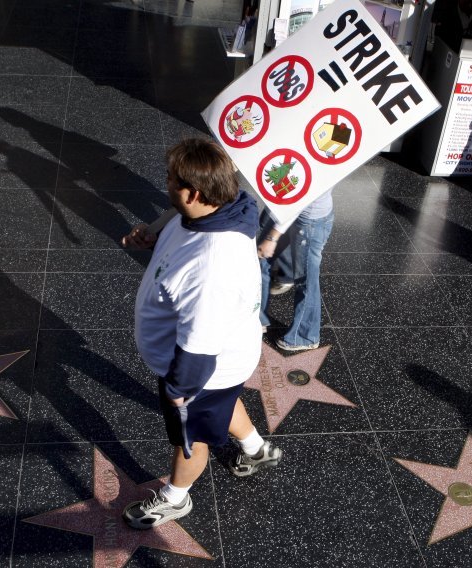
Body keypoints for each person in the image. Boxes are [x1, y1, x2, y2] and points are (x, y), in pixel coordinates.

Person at [119, 139, 282, 529]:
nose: (166, 184)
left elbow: (200, 349)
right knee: (223, 403)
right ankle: (256, 449)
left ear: (193, 193)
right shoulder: (227, 206)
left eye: (171, 181)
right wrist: (153, 233)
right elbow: (177, 219)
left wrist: (179, 393)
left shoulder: (210, 269)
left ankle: (176, 499)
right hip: (225, 364)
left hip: (200, 372)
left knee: (189, 439)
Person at [258, 189, 334, 351]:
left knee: (306, 280)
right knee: (261, 258)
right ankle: (258, 317)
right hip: (290, 210)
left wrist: (273, 236)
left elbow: (303, 193)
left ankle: (305, 335)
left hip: (306, 218)